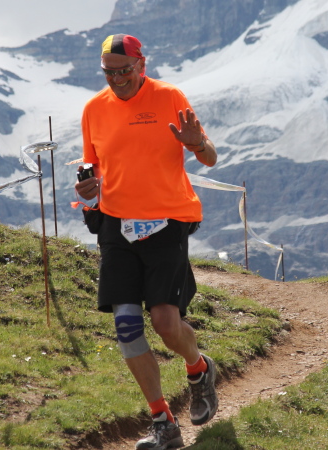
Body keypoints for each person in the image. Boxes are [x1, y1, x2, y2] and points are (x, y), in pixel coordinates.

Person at [75, 34, 218, 450]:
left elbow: (210, 157)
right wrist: (87, 189)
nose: (117, 79)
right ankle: (163, 421)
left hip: (167, 221)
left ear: (141, 65)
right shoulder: (93, 109)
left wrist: (195, 142)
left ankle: (199, 369)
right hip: (116, 224)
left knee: (165, 323)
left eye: (124, 71)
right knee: (125, 324)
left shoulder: (169, 97)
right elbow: (92, 167)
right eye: (109, 72)